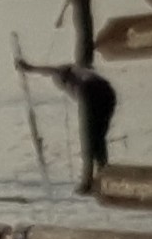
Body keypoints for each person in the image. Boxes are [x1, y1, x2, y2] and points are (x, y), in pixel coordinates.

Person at [16, 58, 117, 195]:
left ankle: (87, 183)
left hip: (88, 91)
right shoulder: (79, 70)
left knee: (88, 140)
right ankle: (104, 174)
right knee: (99, 138)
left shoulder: (66, 74)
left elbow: (52, 71)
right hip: (108, 92)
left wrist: (29, 68)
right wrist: (30, 68)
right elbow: (50, 70)